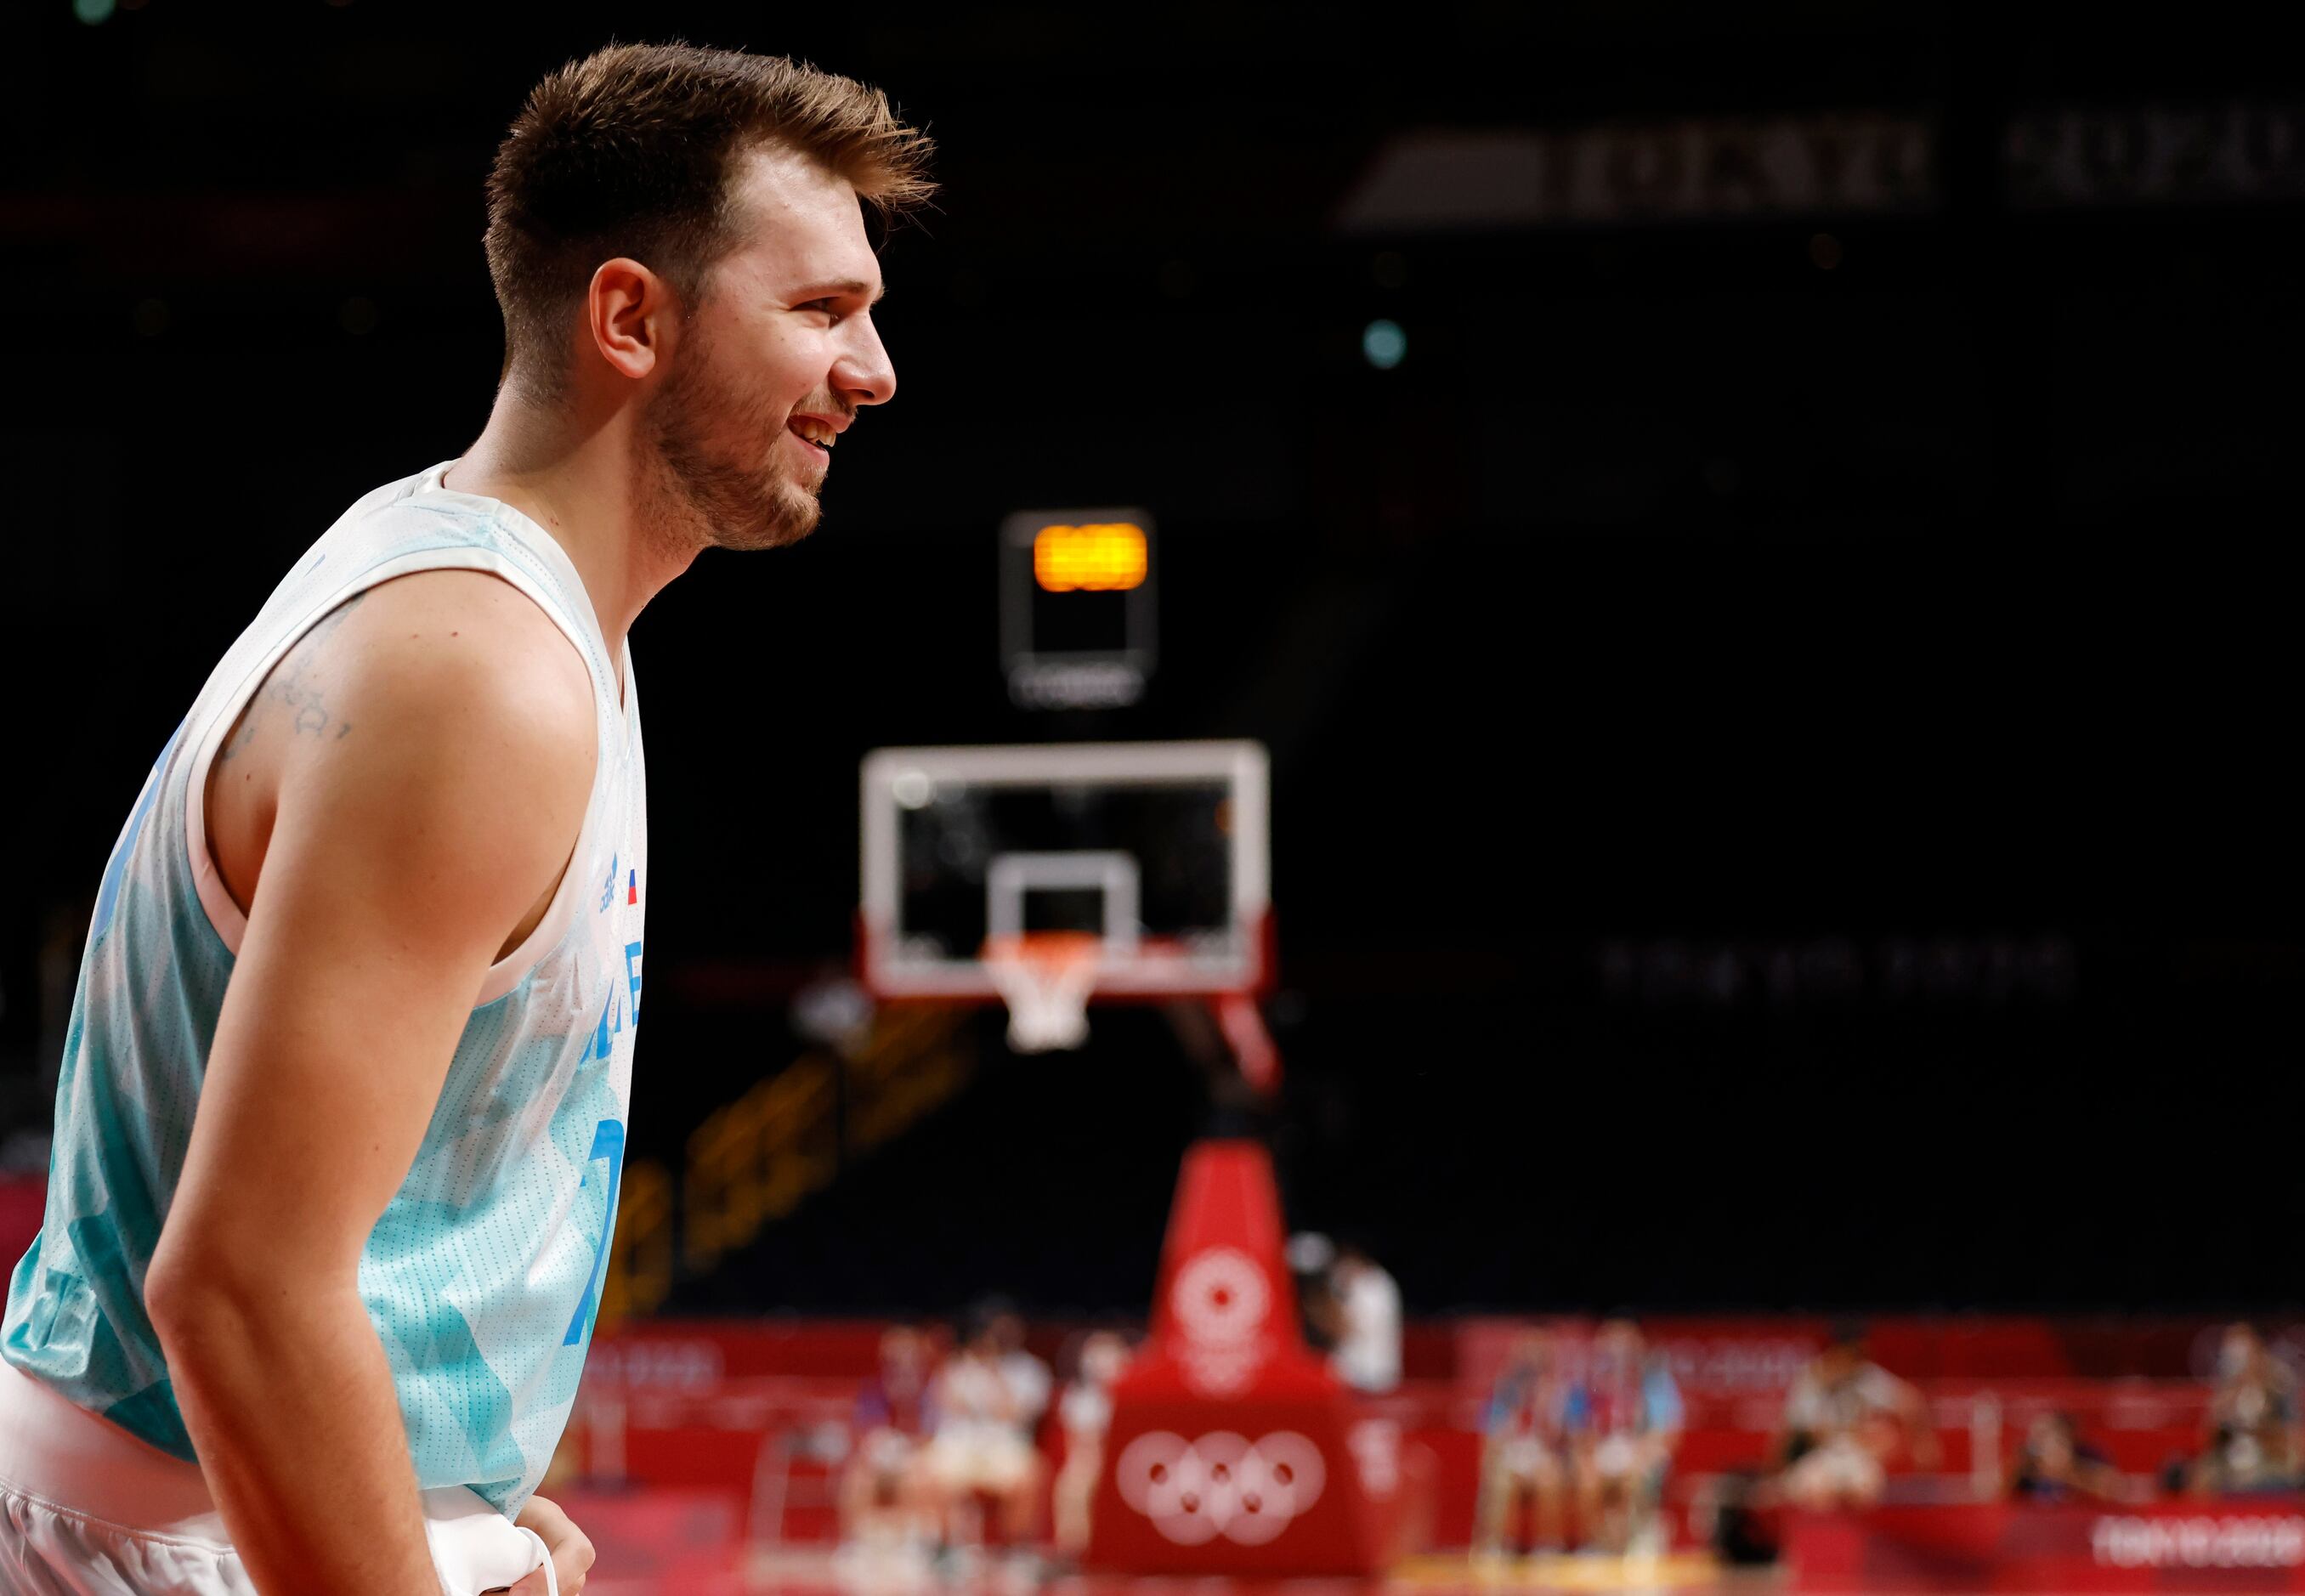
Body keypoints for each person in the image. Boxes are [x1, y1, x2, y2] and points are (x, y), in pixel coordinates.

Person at [0, 43, 930, 1596]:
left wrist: (449, 1507)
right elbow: (238, 1288)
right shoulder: (483, 676)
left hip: (221, 1511)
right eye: (823, 310)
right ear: (631, 316)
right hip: (178, 1539)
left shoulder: (480, 587)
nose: (877, 368)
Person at [1775, 1325, 1940, 1510]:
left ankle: (1862, 1537)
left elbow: (1911, 1402)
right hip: (1820, 1455)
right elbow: (1801, 1432)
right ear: (1838, 1351)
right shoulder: (1811, 1379)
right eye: (1855, 1353)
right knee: (1817, 1491)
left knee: (1864, 1489)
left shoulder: (1866, 1376)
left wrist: (1922, 1444)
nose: (1860, 1358)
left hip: (1858, 1456)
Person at [926, 1311, 1047, 1559]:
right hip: (962, 1447)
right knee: (926, 1472)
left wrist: (994, 1372)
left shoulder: (1029, 1370)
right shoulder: (957, 1367)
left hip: (1005, 1447)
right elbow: (945, 1407)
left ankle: (1016, 1551)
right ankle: (944, 1550)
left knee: (1029, 1476)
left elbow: (1013, 1413)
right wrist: (956, 1366)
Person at [1567, 1319, 1685, 1554]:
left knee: (1632, 1477)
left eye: (1625, 1339)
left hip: (1642, 1452)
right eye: (1611, 1339)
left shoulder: (1654, 1380)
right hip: (1602, 1453)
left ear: (1639, 1343)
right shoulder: (1588, 1381)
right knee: (1587, 1477)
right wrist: (1586, 1457)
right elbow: (1577, 1431)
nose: (1618, 1347)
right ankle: (1599, 1544)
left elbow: (1669, 1431)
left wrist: (1643, 1454)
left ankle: (1633, 1542)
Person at [1475, 1330, 1575, 1558]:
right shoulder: (1503, 1390)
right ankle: (1498, 1545)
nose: (1534, 1359)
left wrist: (1549, 1407)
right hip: (1513, 1456)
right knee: (1500, 1478)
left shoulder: (1561, 1391)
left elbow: (1569, 1438)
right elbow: (1491, 1436)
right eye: (1529, 1352)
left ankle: (1549, 1545)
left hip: (1546, 1457)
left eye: (1540, 1353)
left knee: (1548, 1478)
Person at [2193, 1322, 2302, 1495]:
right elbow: (2207, 1440)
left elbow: (2292, 1440)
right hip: (2229, 1466)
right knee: (2197, 1475)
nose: (2237, 1356)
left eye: (2242, 1349)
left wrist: (2255, 1430)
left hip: (2269, 1466)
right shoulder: (2226, 1388)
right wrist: (2222, 1408)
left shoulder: (2279, 1385)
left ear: (2257, 1349)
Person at [1051, 1332, 1131, 1560]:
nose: (1102, 1364)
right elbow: (1079, 1445)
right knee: (1073, 1485)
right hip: (1093, 1461)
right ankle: (1073, 1552)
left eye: (1109, 1356)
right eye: (1096, 1357)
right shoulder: (1080, 1397)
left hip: (1130, 1463)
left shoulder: (1133, 1396)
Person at [1328, 1241, 1403, 1395]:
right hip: (1356, 1372)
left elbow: (1348, 1326)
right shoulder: (1351, 1282)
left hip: (1372, 1372)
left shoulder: (1374, 1286)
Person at [2006, 1411, 2126, 1503]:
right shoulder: (2028, 1471)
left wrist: (2066, 1474)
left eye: (2057, 1440)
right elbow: (2000, 1498)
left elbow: (2113, 1489)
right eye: (2038, 1439)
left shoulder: (2089, 1456)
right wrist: (2020, 1468)